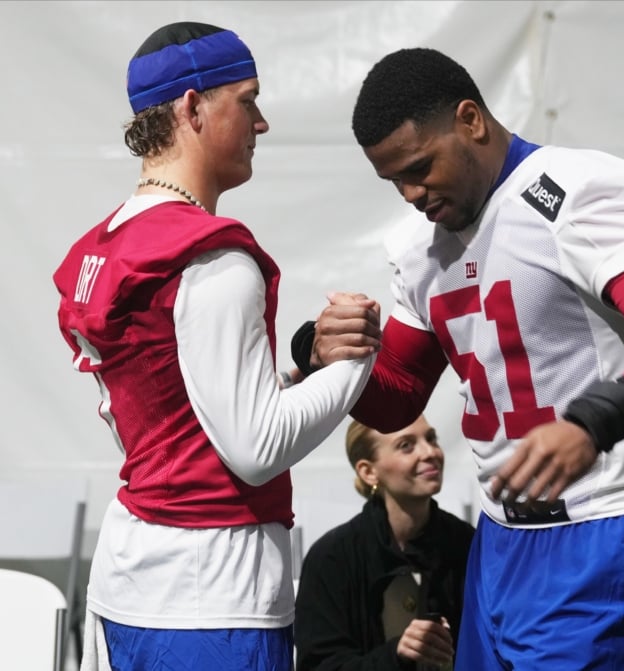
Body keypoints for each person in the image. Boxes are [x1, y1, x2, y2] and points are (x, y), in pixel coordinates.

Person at [291, 48, 624, 670]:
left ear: (470, 120)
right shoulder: (420, 246)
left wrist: (592, 423)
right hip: (501, 539)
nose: (411, 194)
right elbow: (398, 396)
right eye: (394, 181)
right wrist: (321, 350)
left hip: (608, 525)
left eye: (420, 168)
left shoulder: (575, 190)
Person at [52, 22, 380, 671]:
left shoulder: (104, 246)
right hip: (213, 589)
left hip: (132, 576)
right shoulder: (212, 256)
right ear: (192, 107)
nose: (261, 122)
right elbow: (257, 448)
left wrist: (306, 371)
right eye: (248, 100)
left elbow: (187, 410)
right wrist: (360, 357)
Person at [294, 415, 474, 671]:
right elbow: (319, 665)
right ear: (368, 472)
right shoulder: (331, 558)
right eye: (406, 446)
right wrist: (396, 655)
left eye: (431, 438)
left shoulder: (466, 543)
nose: (429, 452)